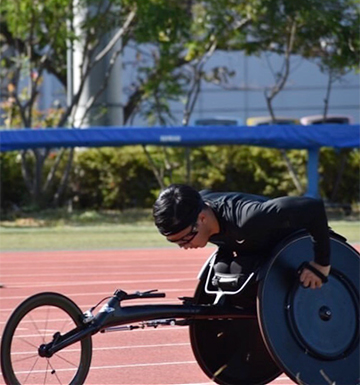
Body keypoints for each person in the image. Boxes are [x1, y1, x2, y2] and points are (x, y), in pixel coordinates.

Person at [153, 184, 331, 290]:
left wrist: (321, 264)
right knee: (226, 269)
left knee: (242, 270)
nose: (184, 246)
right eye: (175, 242)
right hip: (262, 248)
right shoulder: (195, 207)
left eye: (185, 239)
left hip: (304, 247)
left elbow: (312, 207)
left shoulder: (248, 218)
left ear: (202, 218)